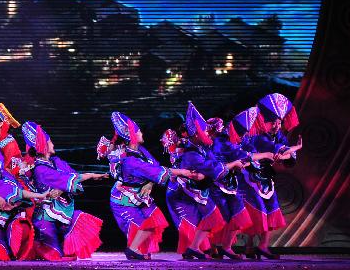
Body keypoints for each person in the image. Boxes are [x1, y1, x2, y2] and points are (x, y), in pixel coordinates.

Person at [105, 111, 198, 260]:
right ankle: (132, 250)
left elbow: (154, 167)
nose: (141, 133)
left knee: (155, 220)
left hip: (140, 195)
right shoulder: (130, 161)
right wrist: (183, 172)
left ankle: (137, 250)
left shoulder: (141, 151)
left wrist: (149, 183)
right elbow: (156, 171)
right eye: (138, 131)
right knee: (141, 226)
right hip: (124, 200)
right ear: (132, 137)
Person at [165, 101, 248, 260]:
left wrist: (232, 164)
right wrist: (232, 165)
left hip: (197, 189)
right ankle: (194, 248)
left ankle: (195, 249)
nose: (208, 133)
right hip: (183, 193)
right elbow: (212, 168)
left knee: (214, 218)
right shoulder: (191, 153)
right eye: (205, 131)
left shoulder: (201, 148)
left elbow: (214, 165)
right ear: (196, 134)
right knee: (211, 217)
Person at [21, 121, 107, 260]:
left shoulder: (57, 162)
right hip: (46, 217)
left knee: (79, 220)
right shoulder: (40, 169)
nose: (53, 144)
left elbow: (70, 176)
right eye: (50, 142)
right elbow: (64, 179)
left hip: (62, 212)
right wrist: (90, 175)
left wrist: (62, 189)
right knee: (54, 255)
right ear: (44, 146)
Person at [237, 94, 303, 260]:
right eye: (272, 122)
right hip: (249, 178)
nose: (276, 125)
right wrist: (293, 148)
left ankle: (258, 246)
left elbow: (286, 155)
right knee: (259, 211)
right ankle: (256, 246)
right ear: (262, 122)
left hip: (265, 177)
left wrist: (288, 152)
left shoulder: (278, 135)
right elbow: (280, 150)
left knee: (271, 209)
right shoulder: (258, 137)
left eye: (279, 122)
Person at [206, 115, 271, 260]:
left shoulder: (212, 143)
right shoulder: (222, 142)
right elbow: (244, 155)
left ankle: (217, 248)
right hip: (221, 184)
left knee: (223, 216)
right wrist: (266, 154)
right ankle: (220, 248)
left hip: (220, 183)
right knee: (234, 214)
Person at [0, 140, 47, 260]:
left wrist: (20, 201)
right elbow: (14, 192)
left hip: (13, 218)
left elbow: (18, 190)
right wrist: (40, 195)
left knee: (23, 230)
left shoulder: (4, 173)